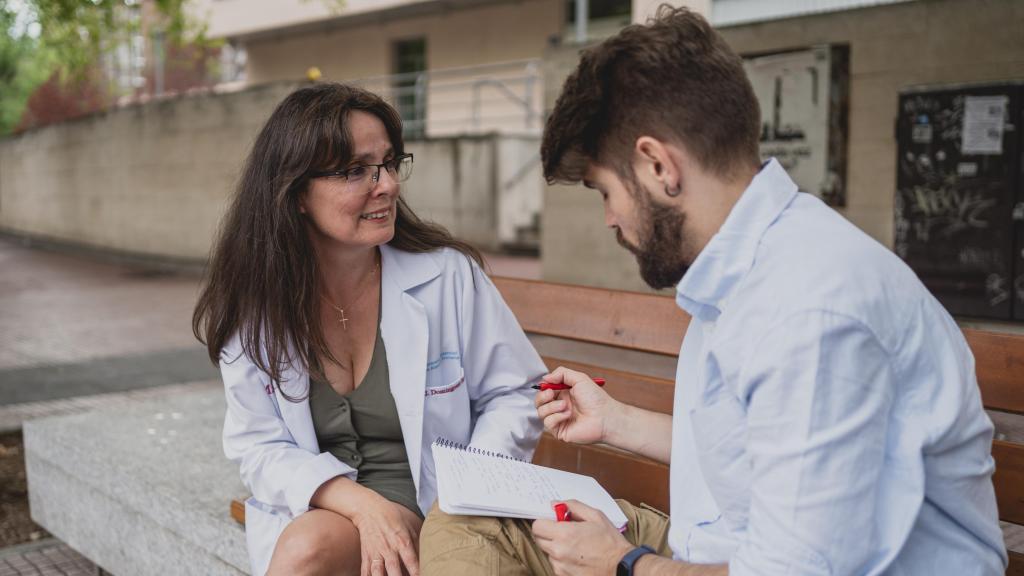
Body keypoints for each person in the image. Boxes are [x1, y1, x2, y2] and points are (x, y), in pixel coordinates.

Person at [419, 6, 1008, 576]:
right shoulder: (748, 268)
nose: (610, 219)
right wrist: (615, 421)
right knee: (465, 519)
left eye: (605, 191)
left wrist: (622, 564)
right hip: (712, 543)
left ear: (658, 166)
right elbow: (758, 451)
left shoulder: (810, 308)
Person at [192, 83, 546, 576]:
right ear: (295, 193)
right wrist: (361, 506)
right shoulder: (259, 305)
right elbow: (256, 446)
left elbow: (516, 393)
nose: (388, 185)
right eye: (356, 170)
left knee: (308, 551)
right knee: (309, 544)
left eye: (389, 163)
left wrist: (464, 495)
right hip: (325, 503)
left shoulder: (446, 277)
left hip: (438, 507)